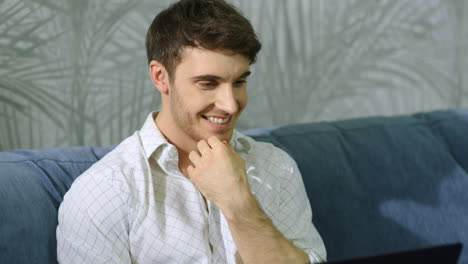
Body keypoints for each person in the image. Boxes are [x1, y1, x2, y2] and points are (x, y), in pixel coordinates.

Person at [56, 0, 326, 263]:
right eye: (209, 83)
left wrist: (239, 204)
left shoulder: (276, 167)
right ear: (161, 77)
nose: (230, 105)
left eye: (239, 82)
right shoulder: (104, 193)